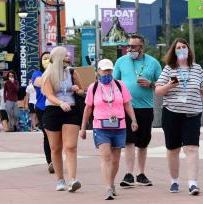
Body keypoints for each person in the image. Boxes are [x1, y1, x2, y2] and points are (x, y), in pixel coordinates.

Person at [155, 38, 203, 195]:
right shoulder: (169, 68)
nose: (181, 49)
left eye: (184, 47)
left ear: (188, 49)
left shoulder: (196, 69)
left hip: (192, 114)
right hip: (172, 113)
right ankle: (174, 180)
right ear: (174, 51)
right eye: (178, 47)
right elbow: (158, 91)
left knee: (191, 148)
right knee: (173, 149)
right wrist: (169, 85)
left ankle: (193, 183)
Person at [80, 59, 138, 200]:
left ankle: (111, 183)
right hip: (101, 126)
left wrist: (134, 120)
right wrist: (83, 128)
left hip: (119, 126)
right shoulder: (93, 87)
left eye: (109, 70)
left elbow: (127, 104)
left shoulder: (119, 85)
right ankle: (107, 187)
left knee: (115, 160)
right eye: (104, 70)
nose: (107, 73)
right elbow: (88, 108)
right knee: (105, 156)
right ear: (98, 71)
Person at [113, 34, 162, 187]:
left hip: (145, 108)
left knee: (143, 142)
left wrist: (151, 83)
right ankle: (128, 174)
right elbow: (114, 84)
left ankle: (140, 173)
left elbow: (161, 85)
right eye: (128, 46)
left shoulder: (153, 63)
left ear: (141, 48)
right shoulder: (121, 61)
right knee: (129, 141)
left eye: (133, 46)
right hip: (126, 108)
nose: (130, 49)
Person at [41, 46, 83, 192]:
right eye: (65, 56)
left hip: (71, 110)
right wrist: (60, 103)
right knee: (55, 147)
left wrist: (77, 89)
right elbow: (48, 94)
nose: (68, 58)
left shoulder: (72, 72)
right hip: (53, 110)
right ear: (59, 57)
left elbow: (83, 89)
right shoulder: (48, 74)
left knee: (71, 146)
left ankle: (72, 179)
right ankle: (60, 180)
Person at [32, 51, 54, 173]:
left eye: (49, 58)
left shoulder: (58, 73)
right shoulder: (37, 73)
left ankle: (56, 159)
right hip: (42, 108)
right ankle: (50, 161)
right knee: (47, 135)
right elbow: (39, 83)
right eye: (44, 58)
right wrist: (51, 73)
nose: (47, 60)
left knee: (57, 136)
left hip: (56, 107)